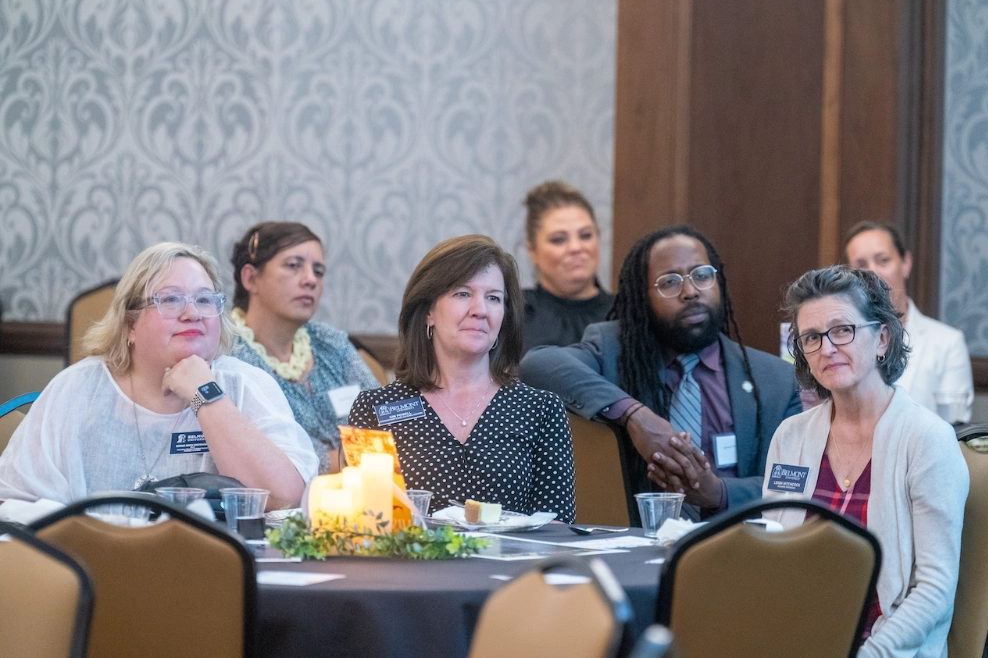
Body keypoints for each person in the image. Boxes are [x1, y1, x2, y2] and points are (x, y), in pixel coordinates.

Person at [0, 243, 318, 509]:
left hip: (212, 575)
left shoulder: (245, 385)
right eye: (170, 299)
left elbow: (285, 498)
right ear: (129, 325)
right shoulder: (78, 389)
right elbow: (16, 503)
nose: (192, 313)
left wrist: (206, 395)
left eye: (205, 300)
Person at [521, 226, 801, 524]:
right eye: (670, 281)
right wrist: (635, 416)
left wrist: (719, 492)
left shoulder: (777, 380)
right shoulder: (614, 351)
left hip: (738, 552)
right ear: (643, 298)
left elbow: (796, 486)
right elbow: (538, 364)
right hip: (636, 553)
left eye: (702, 275)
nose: (690, 291)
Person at [764, 266, 968, 655]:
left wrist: (870, 653)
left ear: (882, 338)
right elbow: (774, 555)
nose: (826, 348)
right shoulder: (790, 437)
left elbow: (935, 589)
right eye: (811, 337)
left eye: (843, 330)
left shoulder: (928, 440)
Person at [348, 235, 576, 522]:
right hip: (413, 565)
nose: (480, 310)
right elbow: (367, 523)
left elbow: (557, 529)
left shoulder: (541, 410)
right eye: (463, 294)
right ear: (428, 311)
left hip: (511, 566)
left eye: (493, 298)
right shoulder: (374, 409)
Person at [230, 222, 379, 474]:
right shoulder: (229, 356)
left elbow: (386, 427)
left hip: (362, 501)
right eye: (293, 266)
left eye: (318, 271)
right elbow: (272, 458)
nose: (311, 279)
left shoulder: (331, 343)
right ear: (251, 278)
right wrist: (359, 456)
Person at [845, 220, 973, 422]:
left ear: (905, 263)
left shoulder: (947, 343)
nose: (873, 273)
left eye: (883, 260)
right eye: (861, 266)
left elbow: (955, 429)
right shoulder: (839, 342)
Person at [521, 181, 614, 354]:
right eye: (559, 239)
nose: (576, 248)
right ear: (532, 250)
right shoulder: (512, 314)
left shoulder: (628, 313)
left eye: (585, 235)